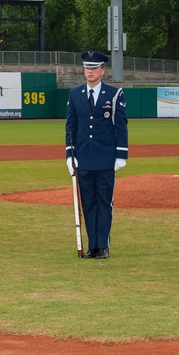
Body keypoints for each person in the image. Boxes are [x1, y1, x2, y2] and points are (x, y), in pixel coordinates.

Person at [65, 50, 128, 259]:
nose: (89, 71)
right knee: (88, 202)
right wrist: (69, 154)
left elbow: (120, 126)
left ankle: (103, 245)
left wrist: (120, 154)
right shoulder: (75, 94)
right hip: (83, 156)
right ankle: (92, 244)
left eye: (93, 68)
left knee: (104, 202)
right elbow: (71, 126)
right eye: (86, 67)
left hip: (106, 157)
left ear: (102, 70)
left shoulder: (114, 94)